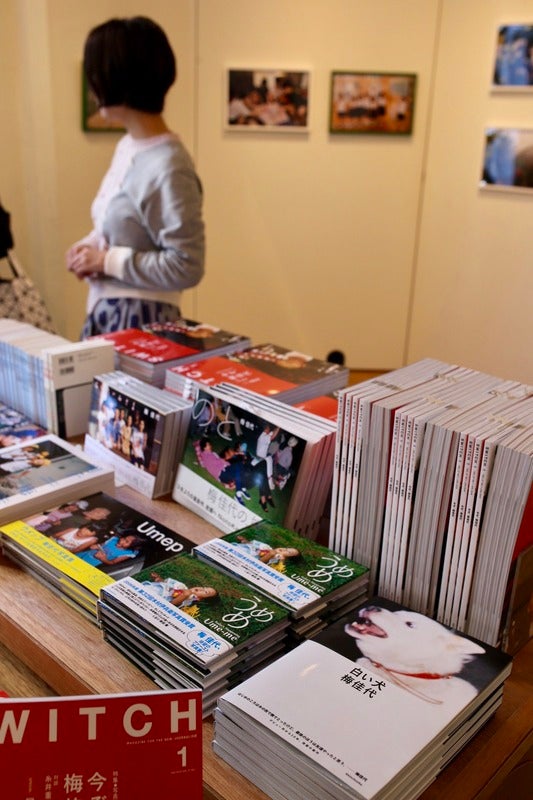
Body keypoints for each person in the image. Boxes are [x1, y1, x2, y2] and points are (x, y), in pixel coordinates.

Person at [66, 16, 205, 337]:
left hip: (142, 325)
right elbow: (119, 227)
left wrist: (105, 261)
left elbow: (187, 265)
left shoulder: (170, 166)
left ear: (116, 80)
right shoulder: (128, 146)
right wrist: (89, 249)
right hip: (108, 314)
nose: (92, 88)